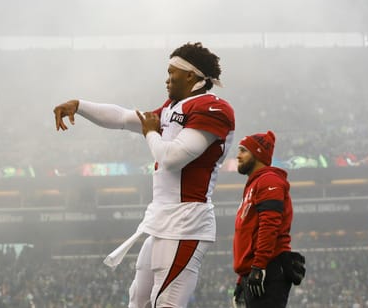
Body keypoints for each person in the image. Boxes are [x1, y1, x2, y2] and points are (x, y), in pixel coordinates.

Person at [53, 42, 235, 308]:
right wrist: (79, 105)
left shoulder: (213, 108)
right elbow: (124, 118)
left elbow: (172, 158)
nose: (166, 78)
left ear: (190, 75)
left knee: (167, 304)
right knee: (138, 300)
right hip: (161, 219)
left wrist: (151, 132)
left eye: (172, 72)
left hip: (186, 222)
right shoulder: (174, 107)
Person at [232, 131, 304, 308]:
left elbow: (269, 225)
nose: (238, 155)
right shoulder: (254, 184)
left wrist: (259, 267)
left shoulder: (269, 180)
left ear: (257, 153)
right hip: (257, 268)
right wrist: (242, 279)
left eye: (243, 150)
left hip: (269, 268)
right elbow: (250, 234)